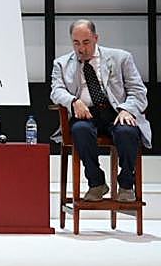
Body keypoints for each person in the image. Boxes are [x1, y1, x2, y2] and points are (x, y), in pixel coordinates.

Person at [49, 19, 150, 202]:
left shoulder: (121, 58)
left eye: (86, 42)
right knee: (80, 130)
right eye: (76, 43)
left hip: (115, 112)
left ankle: (126, 184)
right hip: (85, 113)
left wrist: (127, 109)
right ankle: (96, 183)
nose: (81, 48)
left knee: (127, 132)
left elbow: (138, 91)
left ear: (96, 38)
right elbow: (56, 91)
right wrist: (73, 101)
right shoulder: (61, 64)